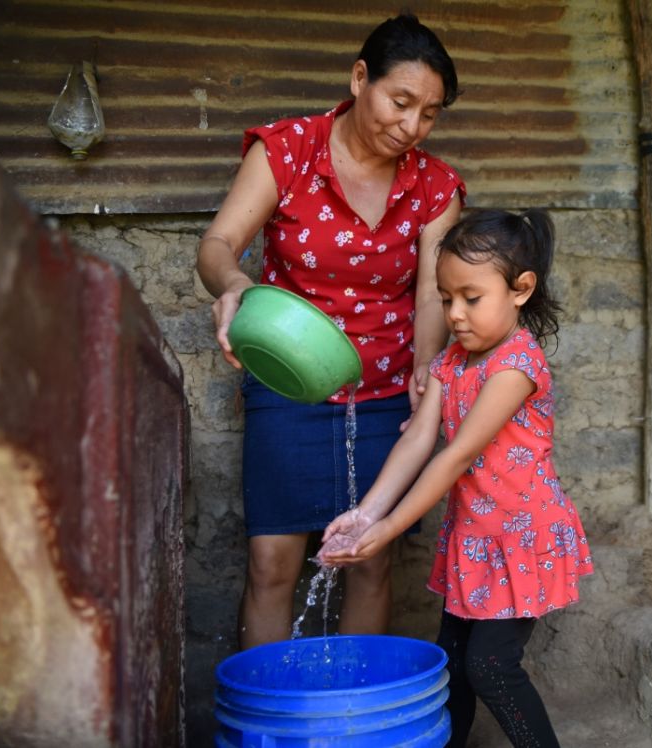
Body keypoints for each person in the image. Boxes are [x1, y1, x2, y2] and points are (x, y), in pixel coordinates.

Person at [195, 13, 465, 650]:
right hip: (288, 380)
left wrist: (424, 369)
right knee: (272, 562)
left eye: (428, 114)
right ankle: (267, 706)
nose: (410, 126)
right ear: (360, 78)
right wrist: (234, 285)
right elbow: (218, 244)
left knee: (369, 559)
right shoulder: (288, 150)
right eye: (400, 102)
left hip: (385, 393)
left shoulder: (435, 187)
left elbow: (432, 292)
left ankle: (352, 702)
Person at [318, 209, 594, 748]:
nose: (456, 314)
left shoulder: (515, 365)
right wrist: (366, 514)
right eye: (446, 299)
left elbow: (456, 456)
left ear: (521, 290)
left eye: (471, 297)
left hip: (521, 537)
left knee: (490, 666)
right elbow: (418, 440)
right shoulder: (452, 360)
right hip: (474, 537)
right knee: (454, 664)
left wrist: (390, 528)